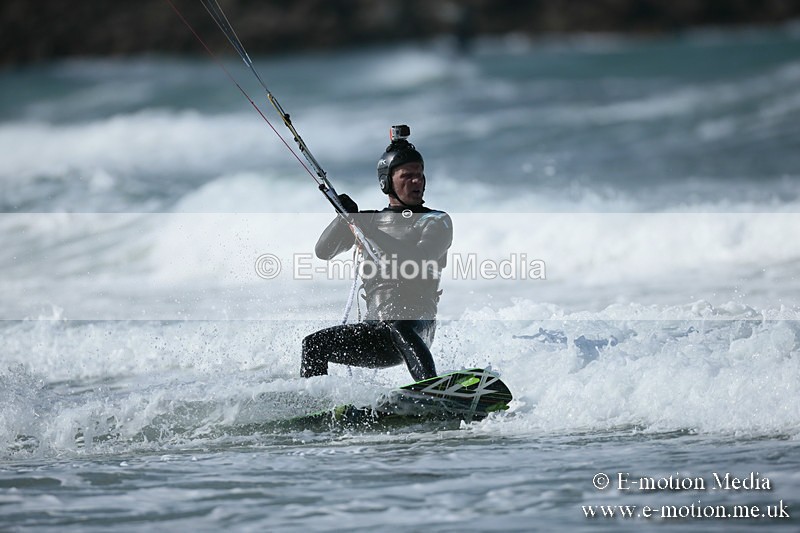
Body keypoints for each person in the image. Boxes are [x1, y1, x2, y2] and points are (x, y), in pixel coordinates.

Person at [301, 125, 453, 382]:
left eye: (420, 174)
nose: (417, 181)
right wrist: (343, 219)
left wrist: (367, 229)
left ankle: (432, 389)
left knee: (399, 325)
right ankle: (315, 403)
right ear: (387, 182)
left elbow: (417, 261)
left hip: (417, 326)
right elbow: (323, 252)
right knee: (313, 344)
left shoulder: (436, 221)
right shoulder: (369, 221)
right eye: (407, 176)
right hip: (375, 334)